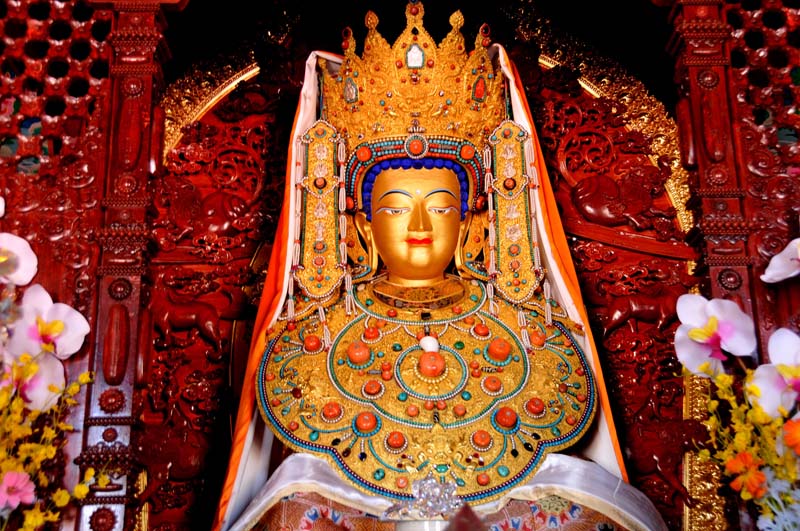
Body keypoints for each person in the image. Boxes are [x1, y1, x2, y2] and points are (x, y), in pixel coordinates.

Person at [213, 3, 668, 530]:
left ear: (472, 223)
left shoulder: (525, 327)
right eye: (395, 208)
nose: (419, 224)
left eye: (442, 207)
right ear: (362, 227)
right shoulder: (317, 334)